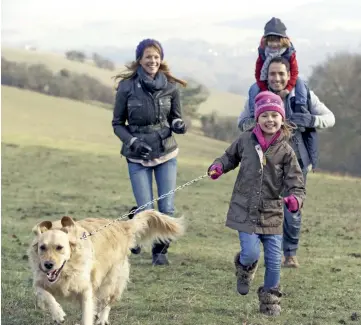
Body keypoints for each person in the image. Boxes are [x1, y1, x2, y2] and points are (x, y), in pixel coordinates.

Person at [208, 91, 306, 316]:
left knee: (273, 260)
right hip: (245, 210)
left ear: (282, 119)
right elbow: (228, 157)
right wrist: (218, 167)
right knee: (251, 253)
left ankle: (270, 300)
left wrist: (295, 200)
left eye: (274, 115)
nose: (269, 120)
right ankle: (244, 268)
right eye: (265, 115)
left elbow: (297, 184)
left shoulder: (286, 151)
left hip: (272, 213)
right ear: (257, 118)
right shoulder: (245, 140)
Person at [238, 56, 335, 268]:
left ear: (289, 75)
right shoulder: (256, 94)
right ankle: (259, 250)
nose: (277, 78)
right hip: (264, 162)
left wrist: (310, 120)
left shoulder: (303, 95)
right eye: (272, 73)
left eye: (281, 73)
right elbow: (241, 122)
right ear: (266, 75)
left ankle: (290, 253)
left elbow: (330, 118)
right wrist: (255, 124)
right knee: (263, 206)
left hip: (297, 161)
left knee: (293, 208)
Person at [112, 38, 187, 266]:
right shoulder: (126, 87)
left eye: (156, 56)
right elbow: (117, 123)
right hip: (137, 155)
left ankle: (160, 251)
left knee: (167, 208)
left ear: (160, 59)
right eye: (148, 57)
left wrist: (178, 125)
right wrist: (133, 141)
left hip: (166, 152)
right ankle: (135, 223)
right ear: (140, 60)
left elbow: (176, 117)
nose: (152, 60)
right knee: (146, 209)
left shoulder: (171, 86)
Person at [254, 17, 299, 100]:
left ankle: (300, 105)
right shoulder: (263, 53)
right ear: (266, 41)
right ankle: (254, 110)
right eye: (271, 41)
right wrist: (265, 90)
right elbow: (258, 73)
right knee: (253, 89)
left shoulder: (289, 52)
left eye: (277, 41)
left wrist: (288, 89)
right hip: (268, 82)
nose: (274, 44)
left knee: (301, 85)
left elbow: (294, 71)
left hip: (288, 80)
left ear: (283, 40)